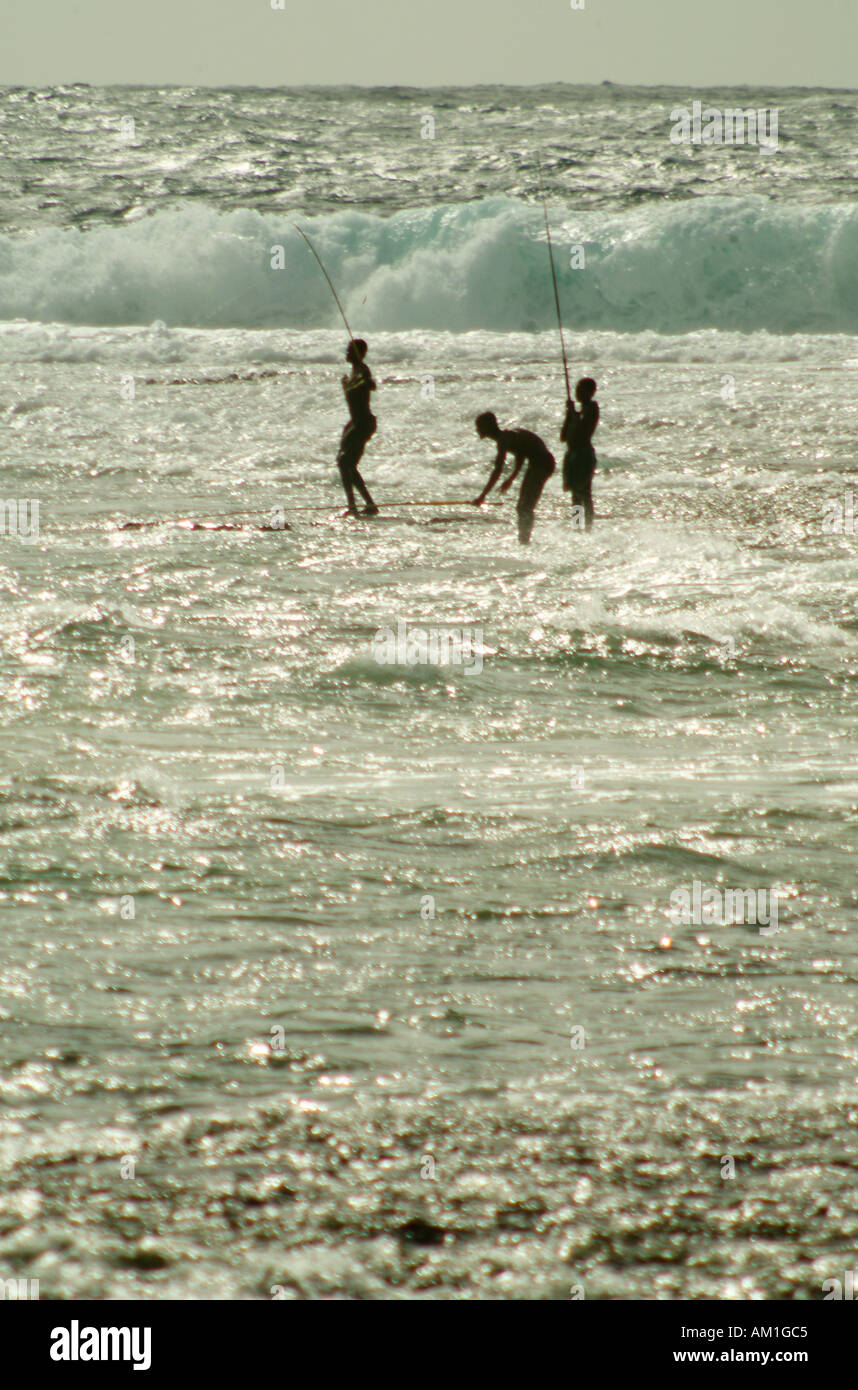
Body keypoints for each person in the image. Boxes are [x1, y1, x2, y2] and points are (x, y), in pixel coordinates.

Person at [473, 412, 556, 544]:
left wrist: (482, 495)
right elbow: (521, 454)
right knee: (522, 507)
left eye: (479, 426)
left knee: (525, 507)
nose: (477, 430)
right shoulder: (507, 437)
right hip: (537, 464)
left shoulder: (503, 440)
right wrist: (511, 478)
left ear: (488, 426)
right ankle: (524, 539)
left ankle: (525, 541)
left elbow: (497, 470)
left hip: (542, 464)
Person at [337, 338, 378, 516]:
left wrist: (363, 383)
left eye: (350, 351)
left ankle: (364, 505)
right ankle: (355, 505)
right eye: (347, 350)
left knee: (347, 462)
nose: (347, 354)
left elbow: (370, 383)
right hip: (354, 422)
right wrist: (347, 384)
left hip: (363, 423)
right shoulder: (353, 372)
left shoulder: (362, 370)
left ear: (359, 354)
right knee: (343, 462)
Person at [561, 377, 600, 531]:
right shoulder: (577, 412)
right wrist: (568, 415)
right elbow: (563, 437)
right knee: (575, 495)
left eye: (580, 390)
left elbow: (583, 430)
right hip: (572, 455)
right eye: (576, 389)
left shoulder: (592, 408)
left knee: (584, 493)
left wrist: (572, 414)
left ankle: (589, 528)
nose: (577, 393)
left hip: (583, 455)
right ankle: (577, 527)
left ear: (590, 393)